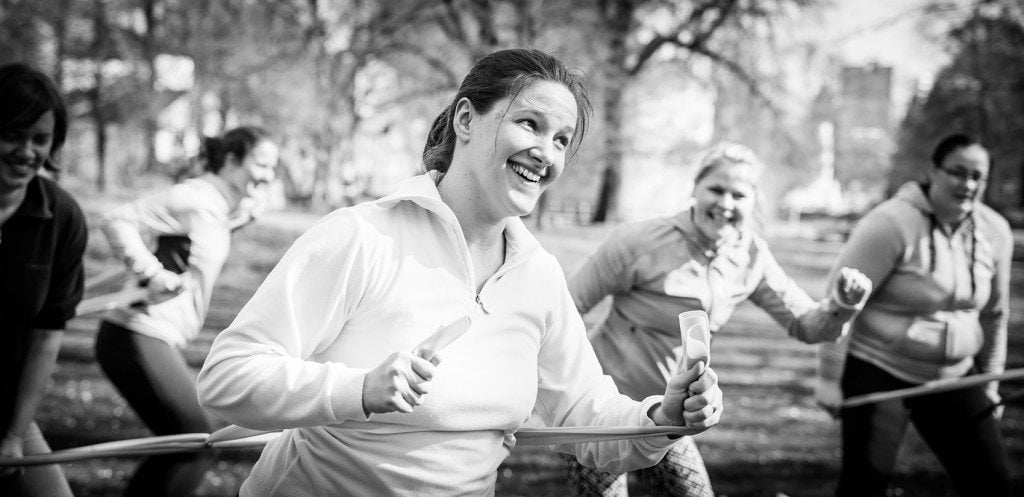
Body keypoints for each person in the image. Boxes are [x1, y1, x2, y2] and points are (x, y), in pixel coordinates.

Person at [196, 48, 724, 497]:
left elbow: (585, 416)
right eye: (529, 123)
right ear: (466, 119)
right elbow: (227, 377)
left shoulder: (537, 276)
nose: (546, 153)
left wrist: (661, 417)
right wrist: (356, 388)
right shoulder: (365, 236)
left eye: (563, 140)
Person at [563, 142, 872, 497]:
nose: (725, 204)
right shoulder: (638, 241)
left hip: (669, 412)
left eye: (738, 195)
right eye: (716, 189)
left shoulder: (751, 257)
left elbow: (807, 325)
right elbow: (567, 309)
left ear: (753, 201)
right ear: (696, 188)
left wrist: (843, 305)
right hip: (604, 407)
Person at [816, 133, 1012, 497]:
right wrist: (829, 377)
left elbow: (994, 314)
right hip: (880, 369)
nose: (967, 184)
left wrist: (989, 383)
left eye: (977, 176)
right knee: (864, 486)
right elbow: (839, 302)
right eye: (957, 172)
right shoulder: (890, 223)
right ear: (933, 171)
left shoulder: (995, 232)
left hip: (955, 376)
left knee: (992, 484)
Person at [94, 126, 278, 497]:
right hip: (136, 332)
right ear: (230, 161)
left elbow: (192, 248)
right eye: (261, 164)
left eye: (273, 168)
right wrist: (152, 272)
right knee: (195, 441)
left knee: (190, 442)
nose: (268, 176)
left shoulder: (218, 207)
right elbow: (116, 219)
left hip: (156, 336)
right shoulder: (195, 197)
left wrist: (237, 223)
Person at [0, 62, 84, 497]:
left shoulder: (63, 218)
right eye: (13, 134)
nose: (26, 151)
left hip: (8, 412)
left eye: (40, 139)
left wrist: (14, 435)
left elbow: (46, 336)